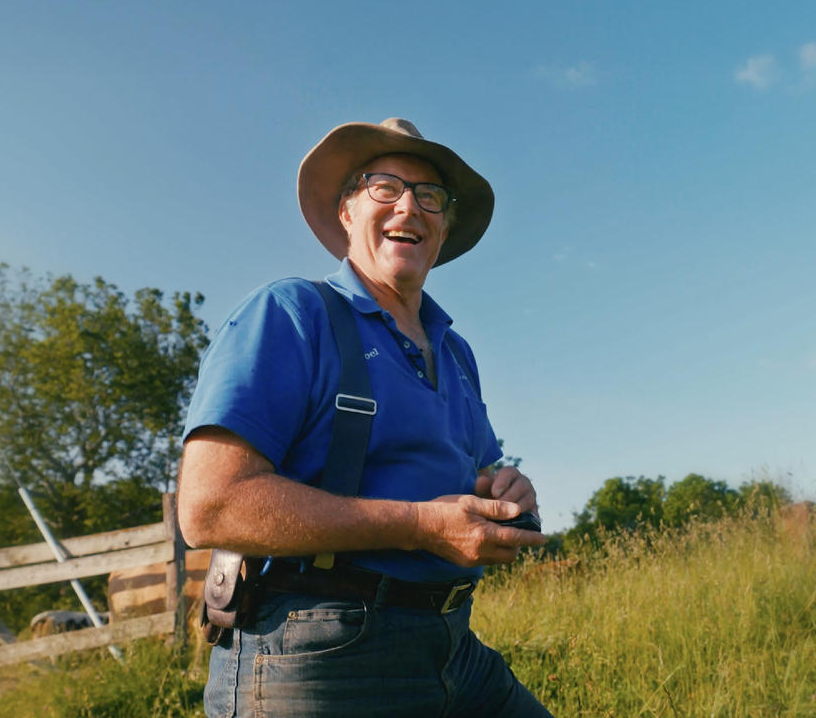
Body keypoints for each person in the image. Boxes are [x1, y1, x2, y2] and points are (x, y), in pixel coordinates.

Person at [177, 118, 552, 717]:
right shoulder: (292, 313)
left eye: (430, 196)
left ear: (444, 225)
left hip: (452, 641)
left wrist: (504, 489)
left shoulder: (455, 352)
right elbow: (211, 506)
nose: (409, 205)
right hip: (317, 649)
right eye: (385, 187)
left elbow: (476, 472)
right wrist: (421, 527)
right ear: (348, 211)